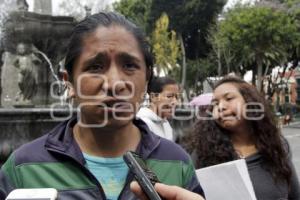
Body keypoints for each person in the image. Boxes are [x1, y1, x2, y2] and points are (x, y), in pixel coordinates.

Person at [0, 12, 204, 200]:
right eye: (95, 67)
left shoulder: (178, 164)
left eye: (129, 65)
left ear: (147, 79)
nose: (114, 83)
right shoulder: (23, 168)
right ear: (68, 83)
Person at [184, 76, 300, 199]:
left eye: (229, 98)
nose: (221, 107)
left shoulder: (277, 145)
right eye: (215, 104)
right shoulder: (203, 153)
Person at [136, 76, 180, 141]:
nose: (175, 102)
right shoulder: (141, 125)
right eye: (169, 96)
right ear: (153, 97)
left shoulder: (166, 124)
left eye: (177, 97)